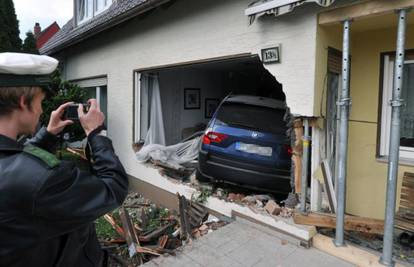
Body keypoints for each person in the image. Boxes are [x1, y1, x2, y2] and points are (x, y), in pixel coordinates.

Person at [0, 52, 129, 266]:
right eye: (41, 101)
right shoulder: (45, 180)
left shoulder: (17, 170)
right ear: (24, 102)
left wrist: (47, 135)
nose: (42, 110)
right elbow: (114, 188)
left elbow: (15, 162)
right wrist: (97, 133)